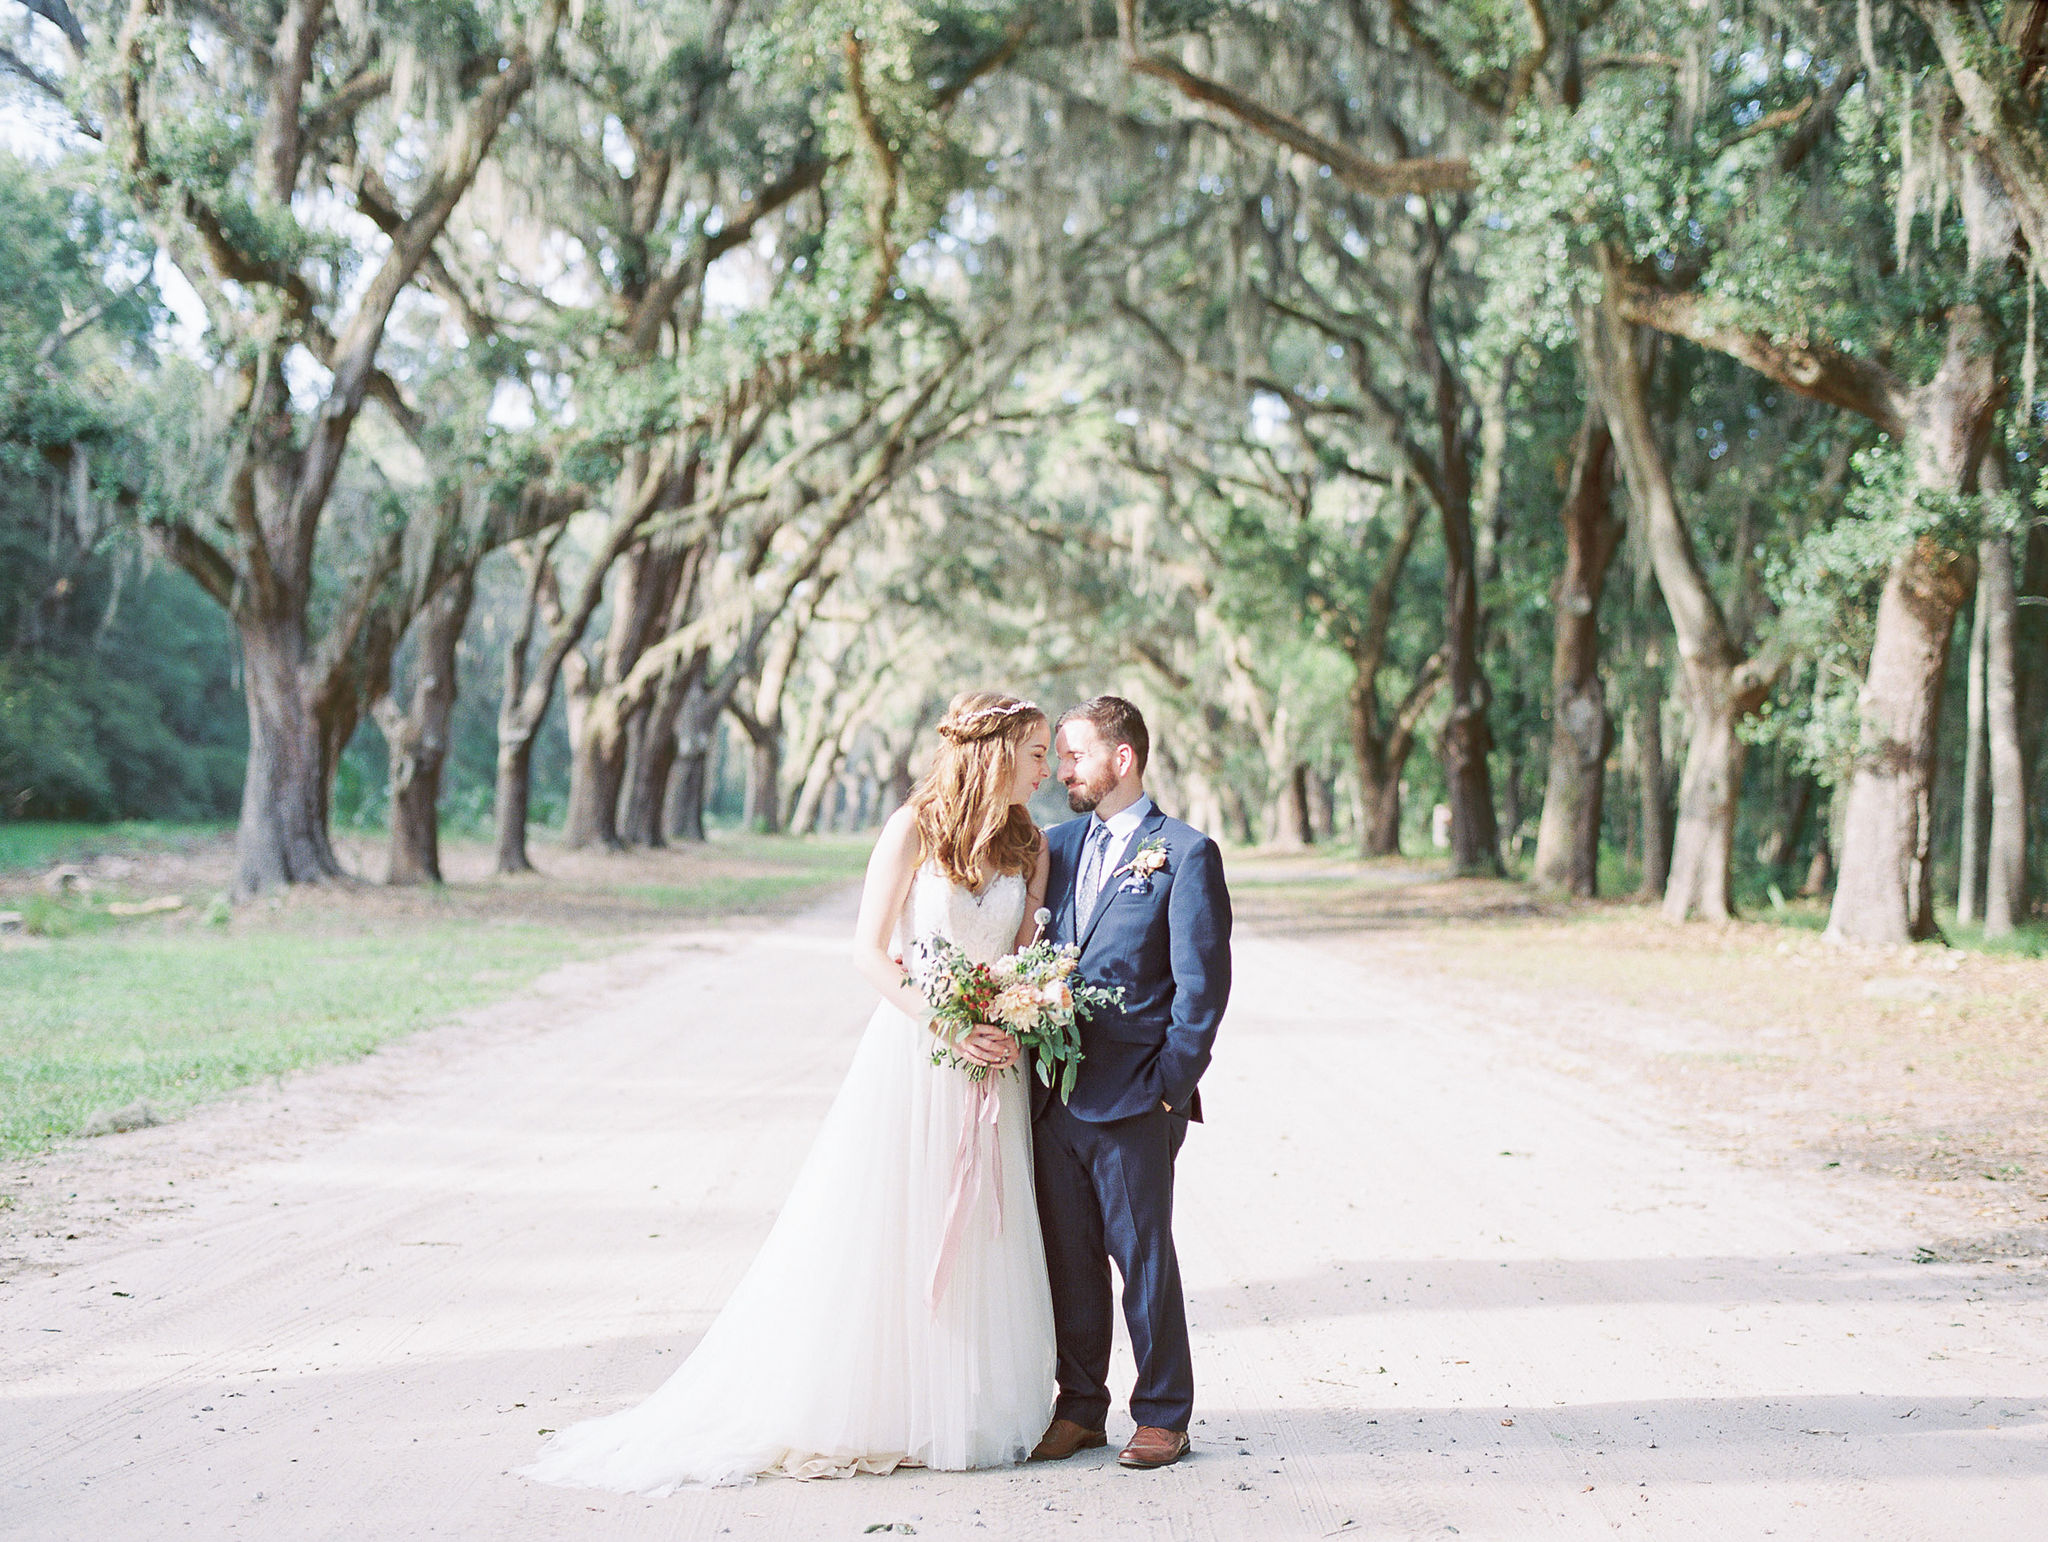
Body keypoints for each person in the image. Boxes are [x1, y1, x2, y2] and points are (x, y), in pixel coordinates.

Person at [521, 691, 1057, 1493]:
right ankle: (885, 1404)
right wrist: (945, 1025)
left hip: (994, 1065)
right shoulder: (912, 828)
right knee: (896, 1224)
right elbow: (869, 954)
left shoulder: (1031, 845)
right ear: (996, 749)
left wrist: (1019, 1011)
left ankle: (966, 1406)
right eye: (1038, 750)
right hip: (920, 1057)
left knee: (984, 1228)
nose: (1047, 766)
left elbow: (1023, 955)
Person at [1028, 695, 1232, 1471]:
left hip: (1137, 1097)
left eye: (1074, 754)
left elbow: (1202, 990)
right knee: (1069, 1257)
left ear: (1123, 758)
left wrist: (1167, 1089)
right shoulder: (1056, 844)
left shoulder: (1184, 853)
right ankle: (1080, 1407)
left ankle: (1164, 1413)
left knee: (1142, 1257)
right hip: (1053, 1093)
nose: (1062, 770)